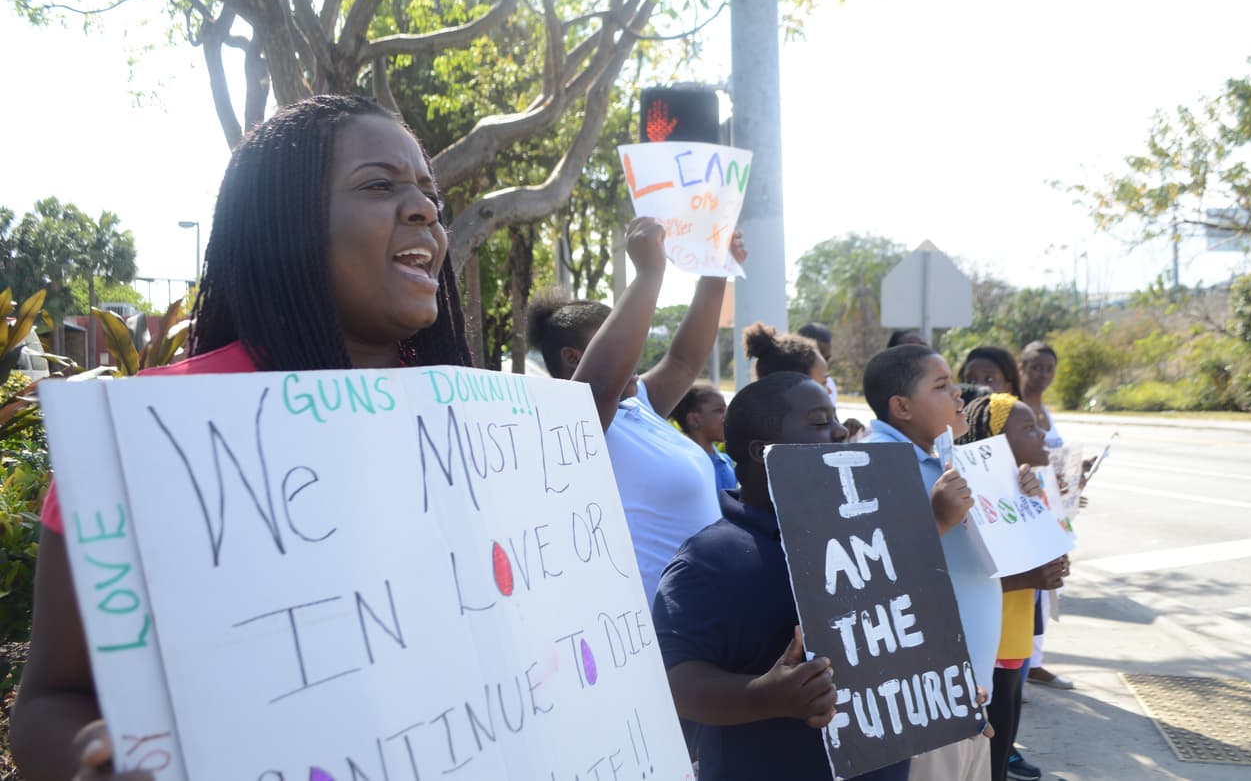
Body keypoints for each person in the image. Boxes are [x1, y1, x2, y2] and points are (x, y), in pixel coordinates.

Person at [12, 94, 474, 781]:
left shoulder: (478, 422)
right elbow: (48, 701)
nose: (425, 209)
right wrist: (97, 758)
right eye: (381, 185)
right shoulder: (146, 432)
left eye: (429, 194)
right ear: (285, 225)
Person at [653, 371, 909, 781]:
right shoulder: (709, 560)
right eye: (818, 421)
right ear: (762, 451)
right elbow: (676, 681)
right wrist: (766, 697)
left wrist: (948, 690)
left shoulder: (870, 537)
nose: (841, 431)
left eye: (836, 418)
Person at [528, 226, 747, 605]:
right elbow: (599, 386)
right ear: (573, 358)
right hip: (658, 624)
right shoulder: (576, 418)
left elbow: (683, 358)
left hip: (710, 612)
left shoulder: (637, 403)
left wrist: (715, 271)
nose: (635, 357)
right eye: (623, 345)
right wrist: (649, 273)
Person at [860, 345, 998, 781]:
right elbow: (869, 577)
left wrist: (1023, 493)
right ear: (901, 407)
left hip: (965, 692)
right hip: (929, 700)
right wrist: (936, 520)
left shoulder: (940, 455)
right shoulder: (878, 462)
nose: (958, 395)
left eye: (953, 383)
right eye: (941, 386)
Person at [957, 394, 1071, 781]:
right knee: (990, 755)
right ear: (995, 441)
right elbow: (966, 576)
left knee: (1002, 750)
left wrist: (1055, 553)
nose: (1042, 435)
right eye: (1028, 428)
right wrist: (1030, 579)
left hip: (1015, 643)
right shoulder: (972, 493)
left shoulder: (1024, 485)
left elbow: (1042, 546)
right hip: (992, 648)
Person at [1016, 341, 1075, 697]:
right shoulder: (1015, 409)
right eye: (1036, 367)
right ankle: (1019, 665)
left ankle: (1030, 662)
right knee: (1026, 588)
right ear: (1021, 367)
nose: (1043, 375)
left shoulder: (1048, 412)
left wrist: (1072, 479)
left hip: (1050, 506)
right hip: (1021, 506)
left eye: (1049, 368)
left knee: (1044, 590)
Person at [672, 383, 737, 492]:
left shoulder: (727, 461)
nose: (727, 416)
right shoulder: (688, 466)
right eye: (719, 411)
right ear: (694, 420)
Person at [796, 321, 839, 406]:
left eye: (826, 358)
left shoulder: (829, 384)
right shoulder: (787, 387)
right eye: (816, 356)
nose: (823, 363)